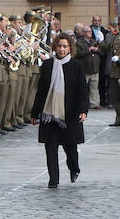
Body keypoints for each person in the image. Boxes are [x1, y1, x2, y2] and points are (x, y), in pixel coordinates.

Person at [29, 34, 87, 188]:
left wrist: (83, 110)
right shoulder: (47, 65)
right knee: (51, 148)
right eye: (59, 46)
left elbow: (82, 90)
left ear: (70, 48)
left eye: (65, 46)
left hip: (70, 113)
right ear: (55, 47)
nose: (62, 49)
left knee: (70, 148)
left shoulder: (76, 65)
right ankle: (53, 179)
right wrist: (35, 113)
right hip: (50, 114)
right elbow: (41, 91)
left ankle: (74, 168)